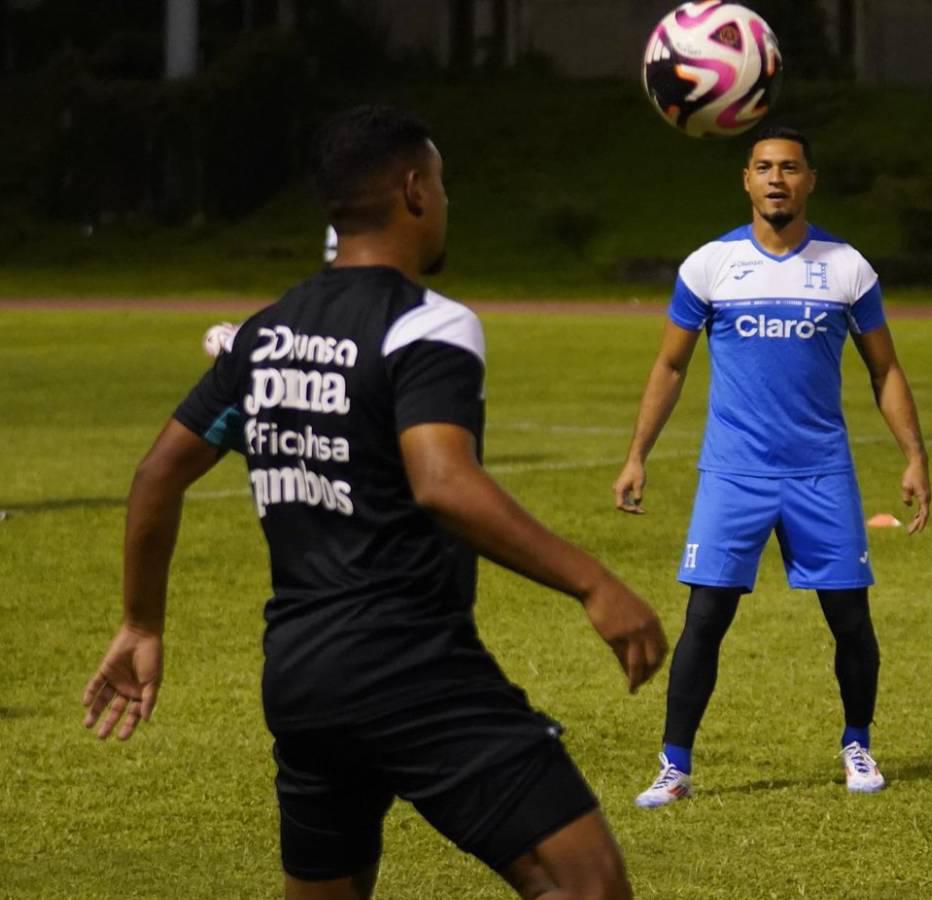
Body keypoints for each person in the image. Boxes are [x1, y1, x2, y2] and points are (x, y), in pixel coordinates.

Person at [82, 105, 668, 900]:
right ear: (414, 190)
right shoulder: (427, 326)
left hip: (302, 676)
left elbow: (156, 475)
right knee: (589, 883)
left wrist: (141, 623)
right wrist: (595, 584)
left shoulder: (265, 333)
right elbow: (442, 481)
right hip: (412, 669)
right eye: (444, 183)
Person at [611, 125, 930, 807]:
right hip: (733, 474)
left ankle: (857, 743)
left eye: (789, 167)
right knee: (705, 618)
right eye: (763, 167)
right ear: (746, 181)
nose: (776, 179)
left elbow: (886, 369)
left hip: (822, 473)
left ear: (810, 179)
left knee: (849, 617)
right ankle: (674, 765)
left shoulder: (847, 267)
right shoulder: (709, 265)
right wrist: (638, 455)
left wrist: (913, 456)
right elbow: (671, 364)